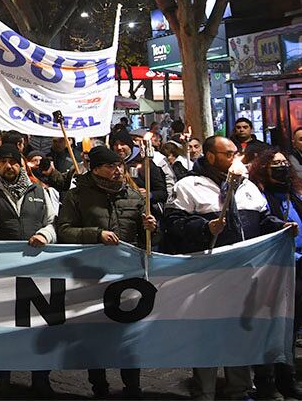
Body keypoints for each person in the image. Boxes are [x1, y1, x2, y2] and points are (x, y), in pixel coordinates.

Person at [163, 136, 296, 400]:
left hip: (244, 275)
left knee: (239, 331)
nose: (234, 159)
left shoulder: (247, 186)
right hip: (206, 275)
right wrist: (204, 228)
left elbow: (262, 218)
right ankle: (205, 390)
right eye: (227, 154)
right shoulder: (189, 186)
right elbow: (173, 223)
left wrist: (279, 227)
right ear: (210, 156)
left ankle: (240, 388)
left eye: (236, 154)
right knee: (207, 333)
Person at [56, 145, 157, 399]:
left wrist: (152, 227)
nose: (118, 171)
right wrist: (96, 235)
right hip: (90, 276)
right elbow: (64, 231)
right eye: (111, 166)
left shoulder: (133, 196)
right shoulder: (76, 196)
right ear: (96, 169)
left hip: (126, 276)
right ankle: (99, 386)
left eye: (119, 166)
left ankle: (133, 386)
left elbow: (151, 239)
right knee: (94, 334)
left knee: (128, 333)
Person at [0, 143, 58, 398]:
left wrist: (45, 235)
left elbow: (53, 223)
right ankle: (2, 377)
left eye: (12, 161)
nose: (7, 166)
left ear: (20, 164)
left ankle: (41, 377)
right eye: (1, 162)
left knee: (39, 324)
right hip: (3, 270)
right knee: (4, 324)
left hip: (36, 268)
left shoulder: (40, 191)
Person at [246, 148, 302, 400]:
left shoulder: (295, 195)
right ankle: (265, 380)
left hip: (298, 269)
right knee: (270, 326)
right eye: (275, 163)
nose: (281, 167)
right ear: (264, 168)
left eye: (283, 163)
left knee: (290, 327)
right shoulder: (259, 197)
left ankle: (286, 377)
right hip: (274, 269)